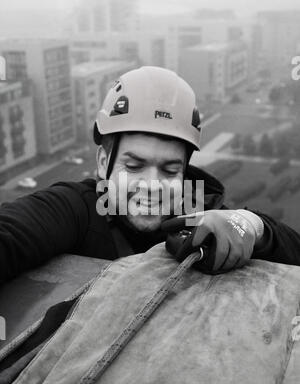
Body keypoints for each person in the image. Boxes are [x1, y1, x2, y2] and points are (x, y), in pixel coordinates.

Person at [0, 65, 300, 286]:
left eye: (170, 170)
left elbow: (294, 252)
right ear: (104, 162)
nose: (152, 186)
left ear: (184, 174)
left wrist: (250, 225)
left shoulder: (196, 214)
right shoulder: (76, 209)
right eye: (133, 166)